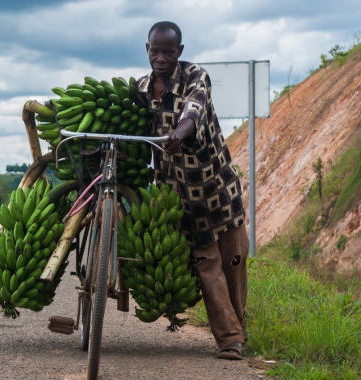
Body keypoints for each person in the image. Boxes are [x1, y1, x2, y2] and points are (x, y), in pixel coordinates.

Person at [136, 21, 250, 360]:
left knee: (234, 260)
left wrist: (179, 133)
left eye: (168, 52)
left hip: (217, 189)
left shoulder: (195, 77)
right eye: (155, 51)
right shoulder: (140, 89)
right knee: (206, 263)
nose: (160, 58)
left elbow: (194, 110)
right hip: (180, 196)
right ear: (147, 50)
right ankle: (230, 339)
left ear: (179, 52)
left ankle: (241, 326)